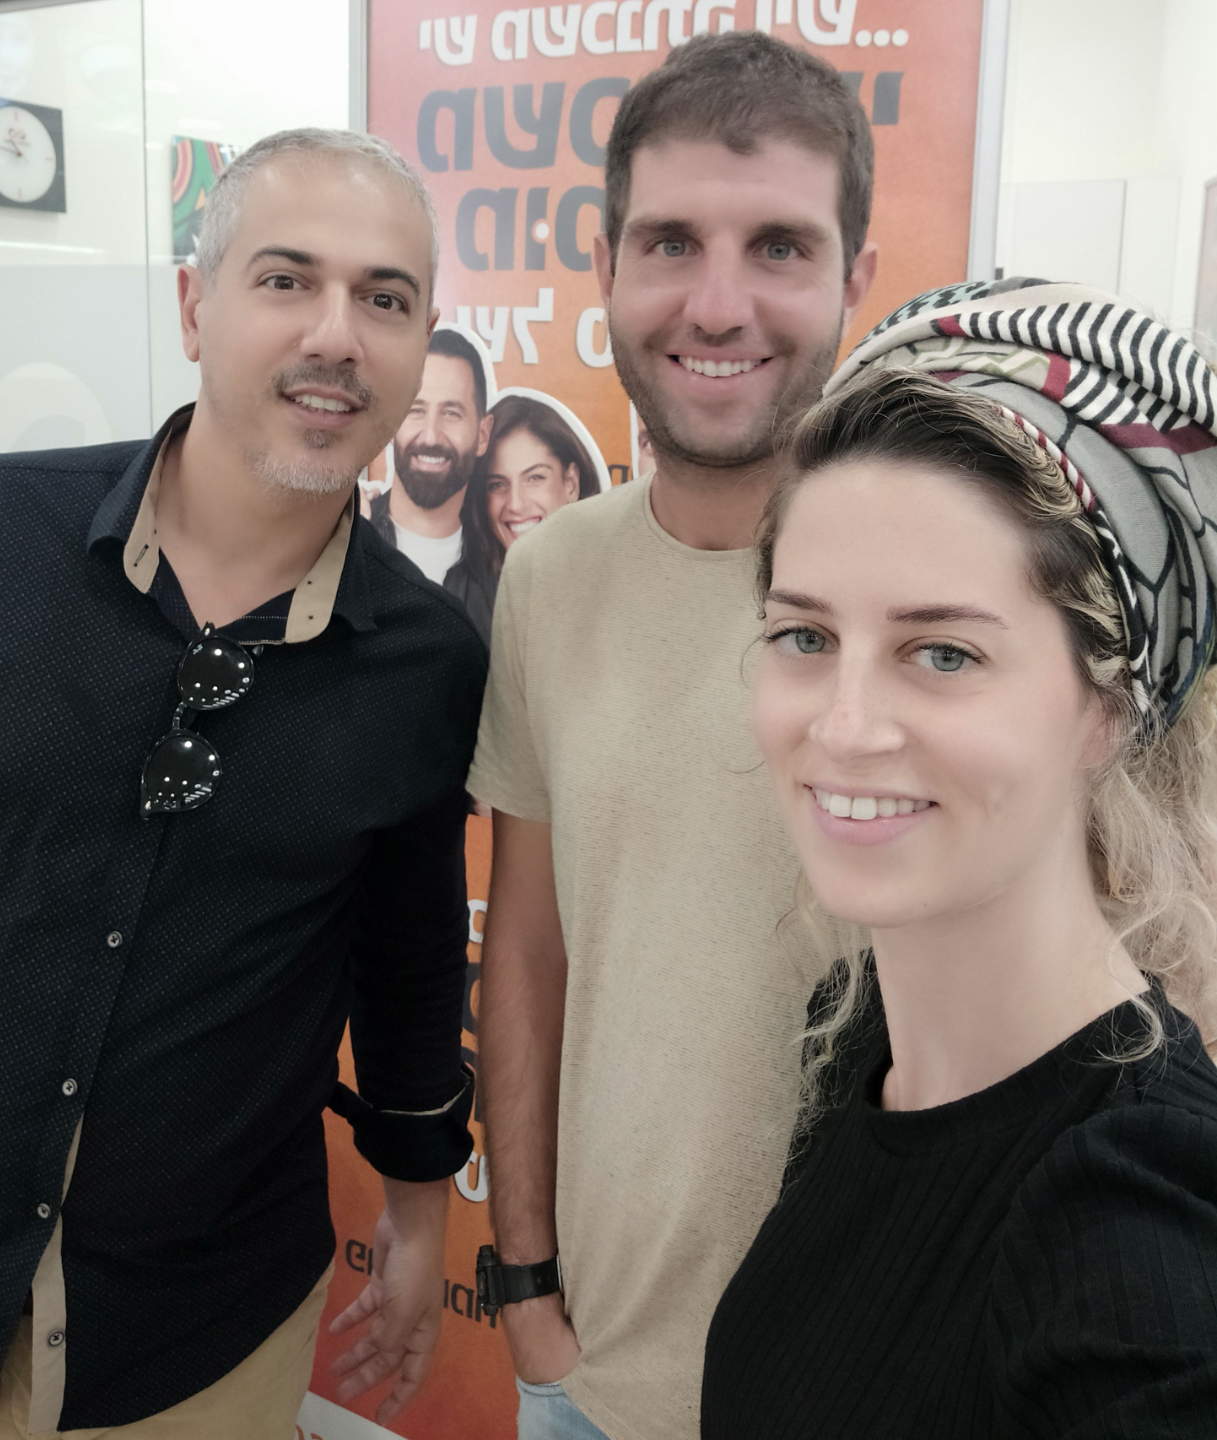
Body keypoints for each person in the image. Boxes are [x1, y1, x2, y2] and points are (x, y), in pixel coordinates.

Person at [0, 129, 487, 1440]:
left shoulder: (425, 661)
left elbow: (406, 967)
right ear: (191, 305)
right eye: (286, 280)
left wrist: (417, 1208)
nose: (335, 336)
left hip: (198, 1340)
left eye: (384, 299)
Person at [702, 280, 1217, 1438]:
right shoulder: (858, 1032)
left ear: (1108, 710)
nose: (843, 726)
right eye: (805, 635)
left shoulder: (1139, 1225)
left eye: (942, 654)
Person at [469, 31, 876, 1440]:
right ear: (605, 266)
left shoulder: (948, 585)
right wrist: (525, 1280)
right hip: (588, 1376)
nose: (717, 303)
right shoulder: (549, 577)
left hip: (870, 1382)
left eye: (778, 246)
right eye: (669, 243)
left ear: (854, 281)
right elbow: (528, 948)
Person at [458, 394, 602, 642]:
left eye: (535, 478)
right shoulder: (462, 603)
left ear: (571, 483)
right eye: (497, 484)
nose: (516, 504)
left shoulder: (619, 586)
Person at [373, 325, 492, 596]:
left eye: (451, 413)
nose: (430, 436)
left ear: (483, 435)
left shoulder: (503, 571)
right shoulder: (340, 541)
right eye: (416, 410)